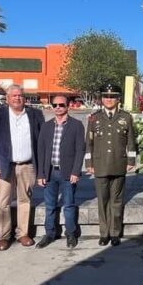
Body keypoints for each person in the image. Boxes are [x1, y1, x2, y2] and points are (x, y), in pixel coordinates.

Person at [0, 84, 45, 251]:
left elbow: (40, 142)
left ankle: (22, 233)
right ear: (7, 98)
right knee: (2, 202)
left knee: (25, 200)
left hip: (27, 166)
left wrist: (41, 168)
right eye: (14, 96)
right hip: (3, 165)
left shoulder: (35, 114)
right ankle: (3, 236)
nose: (18, 98)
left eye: (20, 95)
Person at [86, 83, 137, 247]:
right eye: (106, 97)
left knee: (116, 200)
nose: (109, 99)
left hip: (119, 163)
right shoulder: (94, 118)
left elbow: (131, 141)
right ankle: (104, 233)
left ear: (118, 99)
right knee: (102, 201)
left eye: (112, 97)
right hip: (100, 165)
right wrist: (89, 163)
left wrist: (131, 161)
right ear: (101, 99)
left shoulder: (126, 117)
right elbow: (89, 144)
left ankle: (115, 233)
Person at [36, 95, 86, 249]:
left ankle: (70, 233)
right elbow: (41, 150)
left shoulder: (76, 125)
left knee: (69, 205)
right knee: (50, 205)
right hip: (49, 172)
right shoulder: (46, 126)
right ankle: (49, 234)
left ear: (68, 106)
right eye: (55, 105)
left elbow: (80, 150)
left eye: (61, 105)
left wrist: (76, 171)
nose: (58, 107)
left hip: (67, 173)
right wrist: (41, 174)